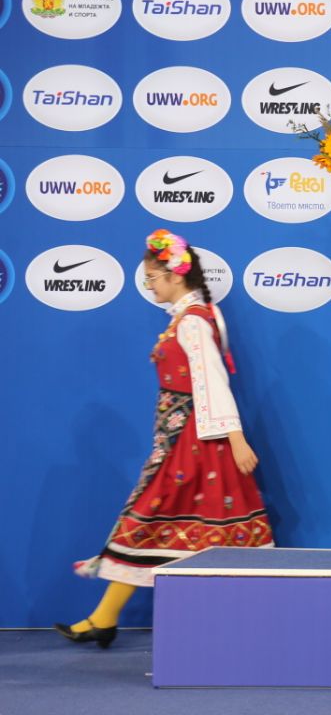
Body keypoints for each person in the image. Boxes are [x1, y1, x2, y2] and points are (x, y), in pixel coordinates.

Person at [55, 230, 273, 648]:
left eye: (153, 277)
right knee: (165, 525)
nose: (149, 285)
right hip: (181, 437)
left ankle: (241, 624)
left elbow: (212, 381)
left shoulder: (193, 322)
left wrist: (235, 438)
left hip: (193, 443)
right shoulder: (190, 317)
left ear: (176, 275)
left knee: (150, 518)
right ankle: (105, 617)